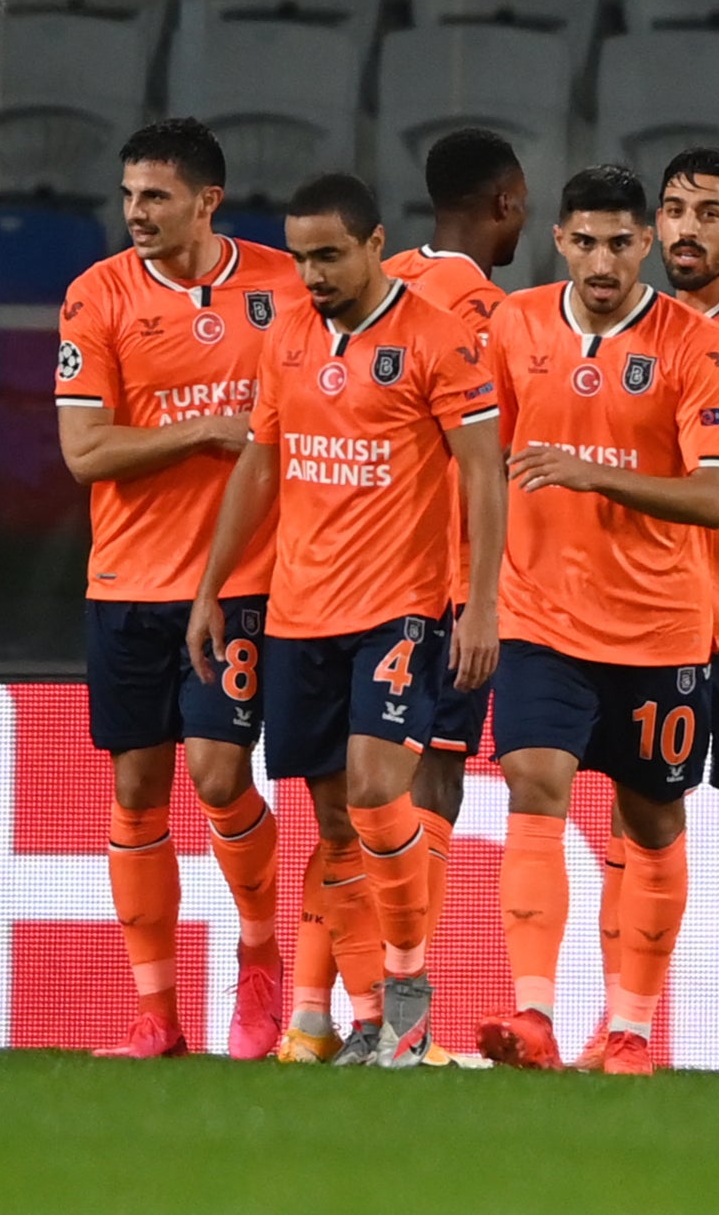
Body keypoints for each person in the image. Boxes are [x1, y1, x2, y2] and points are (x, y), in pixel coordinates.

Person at [187, 173, 504, 1069]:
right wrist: (213, 587)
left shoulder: (438, 341)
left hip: (400, 610)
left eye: (328, 255)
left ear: (374, 245)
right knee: (332, 825)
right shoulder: (286, 332)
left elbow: (483, 475)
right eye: (299, 257)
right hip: (298, 613)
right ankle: (370, 1021)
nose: (312, 273)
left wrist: (479, 604)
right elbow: (260, 465)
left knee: (374, 790)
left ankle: (407, 984)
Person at [476, 165, 719, 1077]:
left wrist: (592, 474)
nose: (602, 260)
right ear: (558, 239)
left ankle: (628, 1027)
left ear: (648, 246)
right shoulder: (514, 326)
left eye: (621, 243)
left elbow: (714, 498)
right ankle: (535, 1014)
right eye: (584, 240)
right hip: (540, 615)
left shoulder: (694, 347)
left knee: (652, 822)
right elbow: (487, 466)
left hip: (658, 628)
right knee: (534, 785)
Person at [56, 118, 306, 1060]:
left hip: (241, 578)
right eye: (128, 197)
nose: (136, 214)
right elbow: (86, 451)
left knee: (218, 773)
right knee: (135, 792)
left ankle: (257, 955)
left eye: (154, 197)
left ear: (207, 200)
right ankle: (155, 1014)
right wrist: (205, 433)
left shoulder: (284, 284)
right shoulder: (97, 297)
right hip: (126, 578)